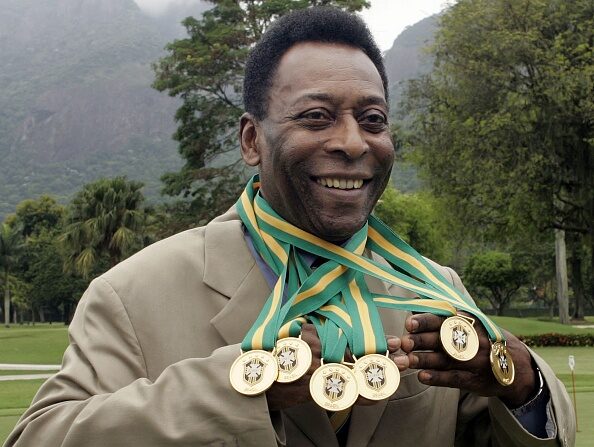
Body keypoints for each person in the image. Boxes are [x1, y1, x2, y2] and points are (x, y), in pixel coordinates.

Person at [5, 7, 575, 447]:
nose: (352, 143)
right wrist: (243, 385)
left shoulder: (434, 289)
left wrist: (519, 381)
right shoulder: (132, 294)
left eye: (371, 120)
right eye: (316, 117)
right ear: (252, 141)